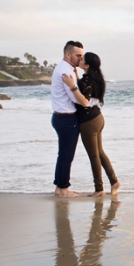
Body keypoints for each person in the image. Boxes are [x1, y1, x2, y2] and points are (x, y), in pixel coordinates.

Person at [62, 52, 121, 197]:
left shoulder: (87, 80)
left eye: (82, 59)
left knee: (94, 156)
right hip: (97, 118)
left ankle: (99, 189)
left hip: (88, 122)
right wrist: (77, 77)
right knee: (100, 153)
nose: (79, 59)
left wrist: (72, 86)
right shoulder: (95, 78)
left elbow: (84, 101)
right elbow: (87, 90)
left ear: (87, 65)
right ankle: (114, 182)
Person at [51, 40, 84, 197]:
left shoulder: (65, 68)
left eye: (82, 55)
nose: (81, 59)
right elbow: (75, 98)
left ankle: (60, 187)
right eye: (78, 55)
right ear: (68, 54)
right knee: (66, 155)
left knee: (63, 154)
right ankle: (63, 189)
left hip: (61, 116)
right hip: (66, 118)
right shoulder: (66, 72)